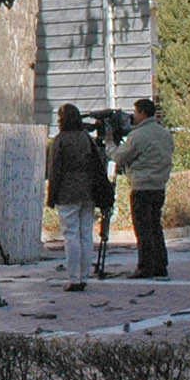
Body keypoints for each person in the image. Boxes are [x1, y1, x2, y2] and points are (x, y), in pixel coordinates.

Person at [46, 103, 107, 291]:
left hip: (67, 191)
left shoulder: (60, 140)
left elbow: (55, 170)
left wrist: (51, 195)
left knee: (70, 234)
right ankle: (84, 275)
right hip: (88, 189)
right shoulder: (86, 138)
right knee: (85, 234)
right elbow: (98, 163)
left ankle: (74, 278)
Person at [112, 97, 175, 279]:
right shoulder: (164, 133)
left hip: (141, 186)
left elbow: (119, 157)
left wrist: (109, 144)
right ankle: (160, 264)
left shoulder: (138, 136)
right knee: (155, 226)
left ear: (142, 113)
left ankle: (145, 266)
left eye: (136, 112)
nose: (133, 116)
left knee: (143, 228)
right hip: (159, 186)